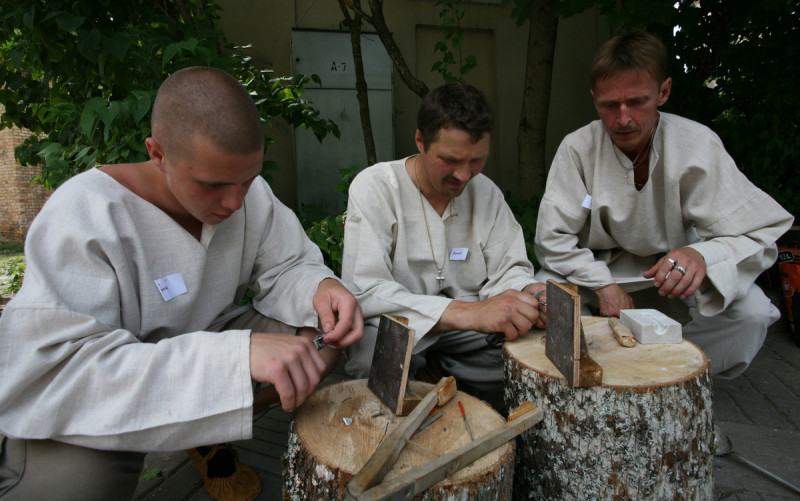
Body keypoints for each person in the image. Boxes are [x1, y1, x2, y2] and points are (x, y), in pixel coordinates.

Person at [0, 67, 363, 501]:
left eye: (247, 180)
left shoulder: (249, 195)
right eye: (212, 185)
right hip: (107, 389)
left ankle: (206, 420)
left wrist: (319, 288)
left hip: (207, 344)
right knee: (76, 487)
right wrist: (234, 358)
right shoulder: (84, 216)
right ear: (157, 154)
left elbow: (286, 266)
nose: (235, 202)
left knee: (323, 333)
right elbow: (64, 372)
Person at [534, 30, 793, 378]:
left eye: (637, 101)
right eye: (609, 105)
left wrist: (703, 255)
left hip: (673, 271)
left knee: (751, 314)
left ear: (663, 92)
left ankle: (674, 379)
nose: (623, 118)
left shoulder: (696, 144)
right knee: (544, 301)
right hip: (597, 269)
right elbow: (552, 240)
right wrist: (603, 284)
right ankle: (593, 381)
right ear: (594, 98)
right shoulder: (578, 148)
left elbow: (758, 230)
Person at [341, 82, 546, 406]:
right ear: (420, 140)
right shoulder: (377, 187)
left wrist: (527, 294)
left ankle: (453, 393)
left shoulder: (487, 193)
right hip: (399, 322)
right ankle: (416, 405)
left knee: (525, 352)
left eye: (477, 161)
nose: (464, 175)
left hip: (470, 333)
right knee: (372, 358)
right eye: (450, 160)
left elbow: (509, 269)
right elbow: (365, 290)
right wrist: (468, 313)